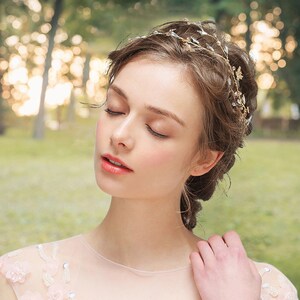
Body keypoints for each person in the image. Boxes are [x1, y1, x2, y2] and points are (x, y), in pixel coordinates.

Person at [0, 19, 298, 300]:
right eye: (115, 109)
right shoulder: (22, 281)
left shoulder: (263, 288)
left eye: (157, 129)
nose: (120, 135)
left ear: (204, 159)